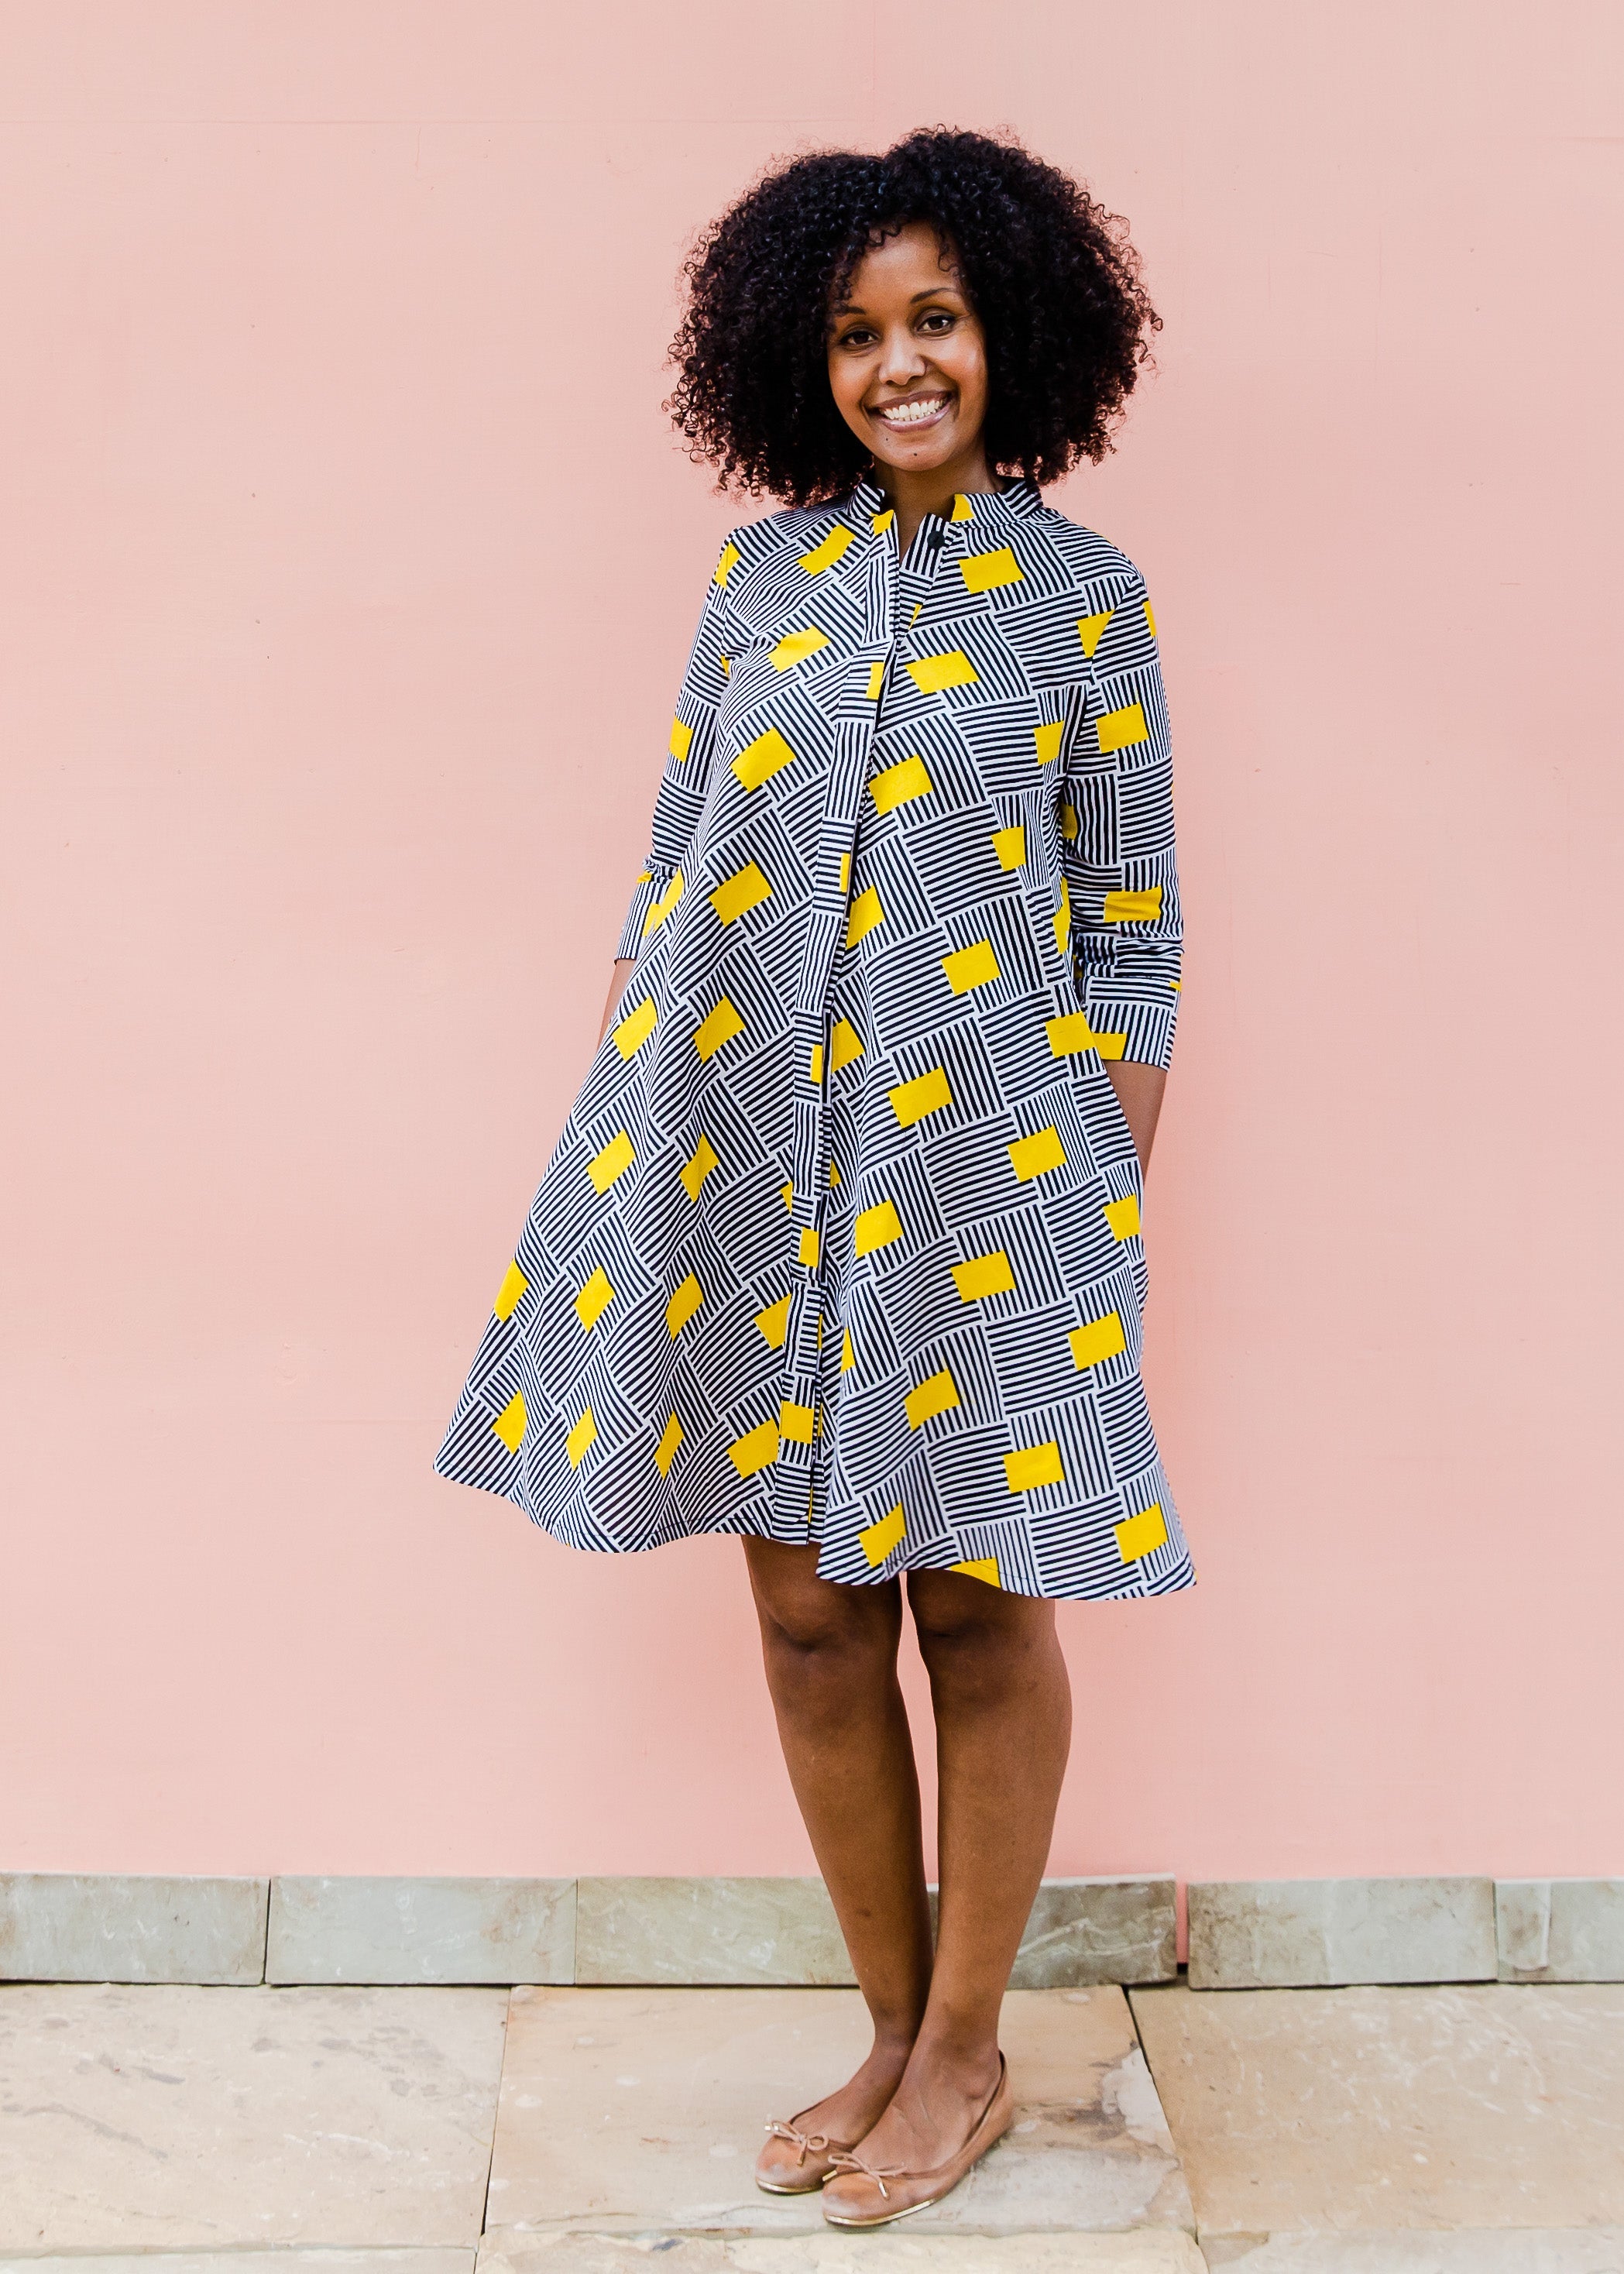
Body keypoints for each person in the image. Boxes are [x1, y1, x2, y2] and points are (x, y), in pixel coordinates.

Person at [435, 127, 1190, 2229]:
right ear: (800, 360)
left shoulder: (1085, 602)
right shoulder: (754, 584)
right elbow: (676, 858)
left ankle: (970, 2046)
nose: (897, 364)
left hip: (986, 1176)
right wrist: (618, 1137)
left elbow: (1130, 925)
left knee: (971, 1595)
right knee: (797, 1615)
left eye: (932, 318)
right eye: (856, 334)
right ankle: (884, 2020)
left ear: (1008, 329)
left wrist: (1096, 1214)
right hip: (743, 1152)